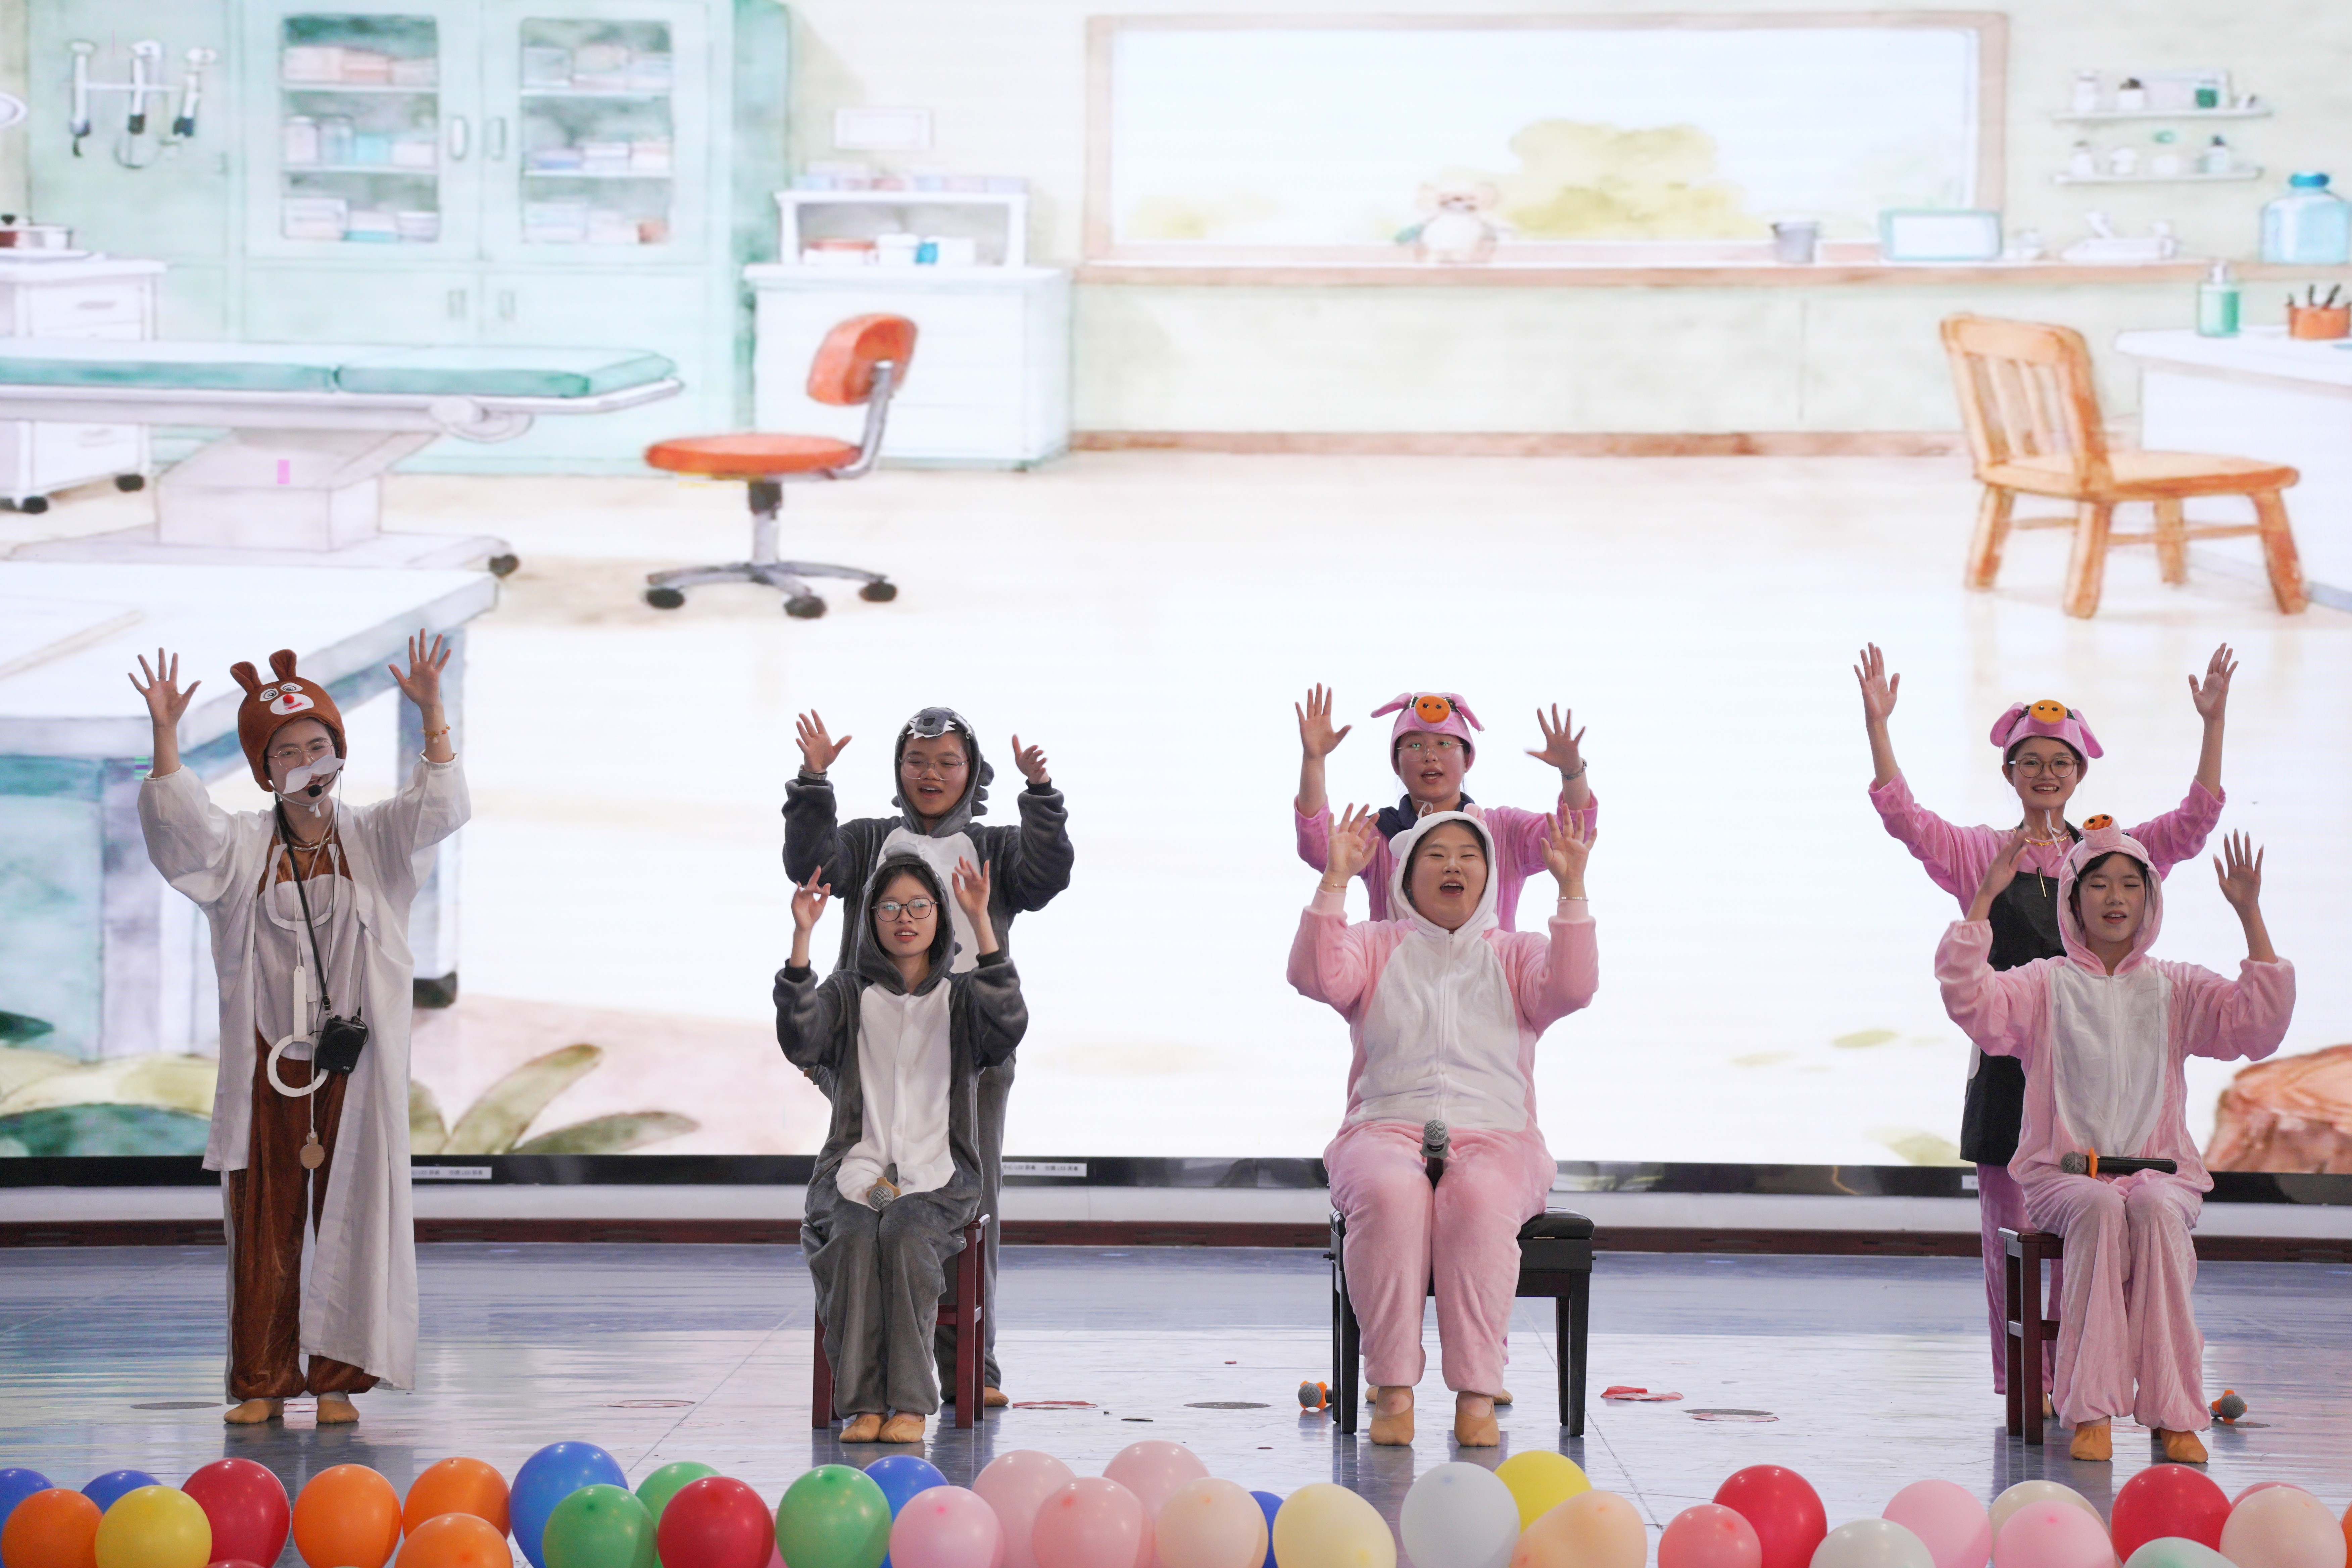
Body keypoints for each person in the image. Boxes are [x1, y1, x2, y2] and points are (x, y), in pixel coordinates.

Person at [1855, 642, 2234, 1405]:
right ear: (2009, 772)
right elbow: (1905, 819)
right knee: (2009, 1241)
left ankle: (2079, 1385)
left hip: (2088, 1084)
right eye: (2030, 761)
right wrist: (1878, 727)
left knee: (2087, 1237)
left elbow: (2191, 825)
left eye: (2059, 762)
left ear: (2079, 773)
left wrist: (2212, 723)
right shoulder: (1981, 852)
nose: (2045, 773)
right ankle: (2024, 1386)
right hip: (2006, 1074)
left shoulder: (2105, 858)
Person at [131, 635, 467, 1425]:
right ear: (265, 769)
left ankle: (339, 1379)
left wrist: (433, 713)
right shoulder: (244, 846)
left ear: (338, 753)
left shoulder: (376, 838)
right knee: (264, 1221)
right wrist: (166, 735)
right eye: (288, 751)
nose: (307, 761)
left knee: (355, 1216)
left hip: (353, 1064)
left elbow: (440, 807)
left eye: (318, 745)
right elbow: (182, 827)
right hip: (268, 1061)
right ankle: (262, 1380)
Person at [1938, 823, 2292, 1463]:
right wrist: (1983, 897)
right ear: (2072, 899)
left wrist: (2249, 914)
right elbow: (1971, 1000)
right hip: (2063, 1176)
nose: (2114, 897)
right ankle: (2090, 1410)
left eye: (2130, 884)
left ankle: (2175, 1411)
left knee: (2153, 1210)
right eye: (2098, 883)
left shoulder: (2173, 986)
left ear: (2148, 898)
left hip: (2160, 1174)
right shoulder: (2043, 983)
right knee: (2100, 1208)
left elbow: (2255, 1025)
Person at [785, 705, 1072, 1406]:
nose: (931, 774)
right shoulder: (870, 839)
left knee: (965, 1202)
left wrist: (1040, 796)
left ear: (972, 771)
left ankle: (973, 1366)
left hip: (970, 1052)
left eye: (948, 761)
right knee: (867, 1193)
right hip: (873, 1045)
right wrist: (813, 780)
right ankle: (869, 1375)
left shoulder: (992, 845)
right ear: (898, 769)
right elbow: (810, 863)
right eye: (917, 761)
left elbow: (1046, 876)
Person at [1290, 802, 1596, 1447]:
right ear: (1406, 874)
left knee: (1479, 1198)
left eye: (1467, 855)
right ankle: (1392, 1388)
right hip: (1382, 1128)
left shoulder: (1516, 954)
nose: (1452, 865)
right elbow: (1313, 976)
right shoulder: (1376, 944)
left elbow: (1572, 987)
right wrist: (1334, 880)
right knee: (1389, 1192)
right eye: (1434, 855)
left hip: (1499, 1135)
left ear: (1488, 875)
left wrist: (1570, 887)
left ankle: (1478, 1393)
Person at [777, 853, 1026, 1446]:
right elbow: (800, 1038)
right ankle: (863, 1404)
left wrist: (982, 923)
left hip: (940, 1175)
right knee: (852, 1236)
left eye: (918, 905)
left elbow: (1008, 1025)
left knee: (908, 1232)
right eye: (889, 908)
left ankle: (911, 1403)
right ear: (871, 918)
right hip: (853, 1167)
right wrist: (802, 939)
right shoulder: (848, 993)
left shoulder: (961, 998)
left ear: (938, 914)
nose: (905, 918)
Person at [1294, 686, 1595, 929]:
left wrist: (1572, 772)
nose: (1430, 755)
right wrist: (1314, 760)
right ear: (1396, 764)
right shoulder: (1380, 833)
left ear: (1468, 760)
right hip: (1398, 984)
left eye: (1445, 744)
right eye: (1415, 745)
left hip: (1489, 983)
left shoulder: (1503, 831)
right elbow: (1319, 847)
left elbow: (1570, 839)